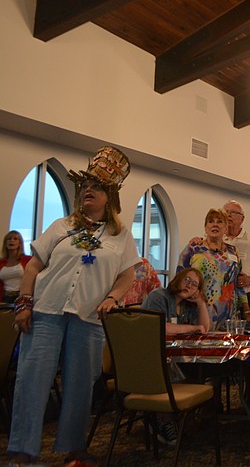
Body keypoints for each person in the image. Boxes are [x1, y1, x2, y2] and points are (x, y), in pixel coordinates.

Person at [9, 146, 140, 465]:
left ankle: (73, 448)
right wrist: (24, 304)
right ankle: (23, 450)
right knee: (32, 381)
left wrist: (112, 297)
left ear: (109, 196)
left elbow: (127, 276)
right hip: (46, 314)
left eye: (95, 187)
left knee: (81, 385)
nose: (88, 191)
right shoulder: (61, 226)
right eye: (85, 187)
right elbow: (32, 268)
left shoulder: (120, 235)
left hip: (88, 318)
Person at [177, 208, 243, 331]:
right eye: (211, 221)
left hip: (228, 313)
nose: (215, 224)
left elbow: (239, 281)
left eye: (219, 221)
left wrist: (247, 308)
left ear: (225, 227)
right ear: (205, 226)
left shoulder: (233, 251)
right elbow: (179, 279)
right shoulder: (193, 248)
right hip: (198, 309)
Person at [141, 267, 211, 334]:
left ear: (197, 290)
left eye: (194, 284)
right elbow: (159, 328)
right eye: (186, 279)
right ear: (178, 279)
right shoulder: (159, 296)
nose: (189, 285)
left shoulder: (189, 303)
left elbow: (204, 329)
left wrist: (201, 302)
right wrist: (192, 328)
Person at [1, 230, 32, 303]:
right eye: (9, 239)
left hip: (21, 297)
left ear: (20, 243)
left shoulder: (28, 260)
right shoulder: (1, 262)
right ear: (5, 243)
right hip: (5, 297)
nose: (11, 241)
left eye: (15, 239)